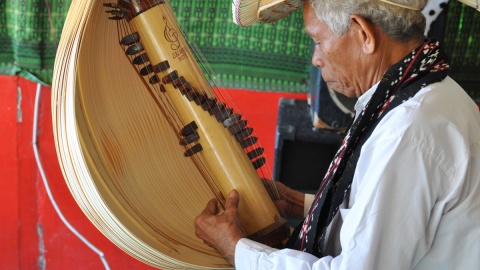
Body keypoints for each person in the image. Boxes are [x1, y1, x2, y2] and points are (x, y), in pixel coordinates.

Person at [194, 0, 480, 269]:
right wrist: (303, 204)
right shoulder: (433, 91)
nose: (317, 59)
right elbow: (391, 224)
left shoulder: (408, 130)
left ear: (364, 34)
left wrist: (236, 250)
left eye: (318, 41)